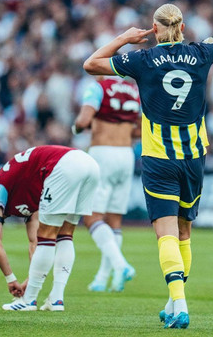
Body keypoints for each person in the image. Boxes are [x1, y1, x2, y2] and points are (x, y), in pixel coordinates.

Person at [83, 0, 213, 329]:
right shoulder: (201, 54)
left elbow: (91, 64)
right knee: (184, 232)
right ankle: (175, 302)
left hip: (158, 159)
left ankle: (179, 305)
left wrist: (125, 38)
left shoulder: (143, 60)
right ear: (182, 28)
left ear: (155, 29)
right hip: (193, 159)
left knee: (165, 233)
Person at [0, 145, 99, 311]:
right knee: (65, 235)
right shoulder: (18, 195)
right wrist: (30, 279)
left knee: (48, 236)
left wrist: (10, 279)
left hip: (63, 166)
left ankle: (28, 301)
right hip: (89, 165)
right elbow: (34, 242)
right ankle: (56, 299)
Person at [73, 76, 140, 292]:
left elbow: (83, 121)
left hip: (103, 152)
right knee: (115, 220)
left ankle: (121, 266)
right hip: (127, 154)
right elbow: (140, 129)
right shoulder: (132, 88)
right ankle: (102, 279)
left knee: (91, 217)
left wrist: (75, 128)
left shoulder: (98, 87)